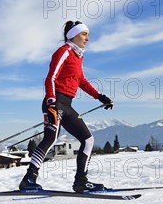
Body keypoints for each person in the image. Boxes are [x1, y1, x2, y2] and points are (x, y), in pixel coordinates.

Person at [19, 21, 113, 193]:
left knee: (88, 140)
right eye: (84, 34)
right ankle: (29, 179)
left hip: (68, 105)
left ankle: (81, 181)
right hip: (55, 102)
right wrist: (51, 103)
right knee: (50, 139)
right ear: (73, 35)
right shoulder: (64, 51)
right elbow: (51, 78)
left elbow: (81, 81)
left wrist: (100, 97)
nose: (88, 38)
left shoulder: (78, 56)